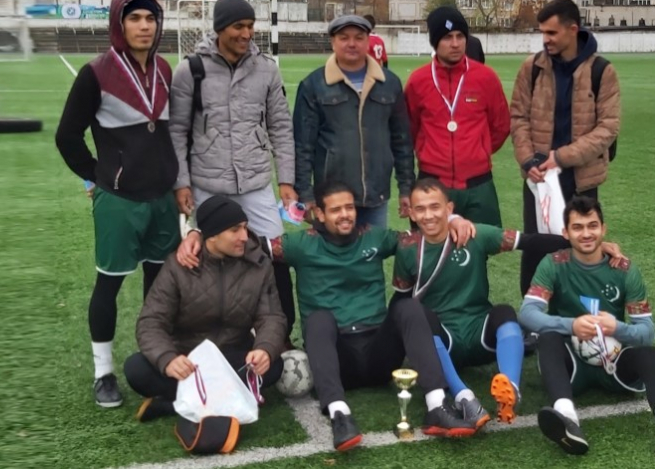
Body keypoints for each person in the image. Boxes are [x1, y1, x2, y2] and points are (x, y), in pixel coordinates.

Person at [176, 181, 480, 450]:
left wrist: (454, 219)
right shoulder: (301, 243)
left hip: (379, 354)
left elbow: (424, 234)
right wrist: (198, 234)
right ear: (319, 214)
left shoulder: (375, 237)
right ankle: (339, 414)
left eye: (349, 208)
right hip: (337, 357)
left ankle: (436, 405)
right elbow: (246, 243)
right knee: (319, 318)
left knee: (408, 307)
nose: (345, 214)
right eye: (335, 210)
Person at [392, 179, 625, 424]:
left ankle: (510, 389)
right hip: (443, 342)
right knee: (422, 316)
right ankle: (463, 395)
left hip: (481, 338)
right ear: (411, 213)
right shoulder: (408, 249)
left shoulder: (476, 234)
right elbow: (404, 302)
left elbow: (529, 241)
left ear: (449, 209)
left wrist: (588, 244)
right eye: (420, 209)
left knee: (504, 312)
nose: (429, 215)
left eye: (435, 207)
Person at [519, 196, 655, 460]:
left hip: (613, 364)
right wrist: (571, 325)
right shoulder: (553, 264)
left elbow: (647, 332)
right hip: (570, 365)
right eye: (577, 227)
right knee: (548, 338)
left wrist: (617, 328)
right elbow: (527, 314)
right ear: (566, 232)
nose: (586, 234)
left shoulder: (625, 270)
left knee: (650, 354)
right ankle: (567, 421)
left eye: (592, 225)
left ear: (604, 228)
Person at [55, 0, 178, 408]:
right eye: (135, 18)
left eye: (151, 18)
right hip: (120, 200)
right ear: (119, 24)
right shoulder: (96, 73)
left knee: (160, 288)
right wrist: (97, 176)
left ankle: (154, 358)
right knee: (108, 285)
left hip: (162, 199)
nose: (145, 26)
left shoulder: (164, 69)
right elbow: (67, 136)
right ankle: (103, 372)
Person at [168, 0, 298, 345]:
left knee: (275, 256)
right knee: (209, 260)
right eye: (239, 26)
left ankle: (282, 334)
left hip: (255, 182)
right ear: (219, 28)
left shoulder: (267, 69)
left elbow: (280, 127)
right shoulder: (190, 70)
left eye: (251, 26)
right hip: (208, 183)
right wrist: (181, 183)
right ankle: (213, 337)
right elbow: (177, 131)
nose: (246, 34)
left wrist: (286, 179)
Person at [124, 196, 287, 423]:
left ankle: (175, 405)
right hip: (188, 358)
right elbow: (151, 321)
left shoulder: (259, 264)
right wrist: (168, 359)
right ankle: (222, 399)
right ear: (212, 235)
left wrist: (264, 350)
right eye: (235, 230)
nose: (244, 236)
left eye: (244, 227)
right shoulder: (178, 266)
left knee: (274, 366)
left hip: (232, 355)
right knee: (136, 369)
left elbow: (271, 316)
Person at [509, 0, 621, 295]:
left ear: (573, 30)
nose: (545, 39)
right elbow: (518, 117)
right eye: (542, 33)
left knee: (582, 251)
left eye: (551, 33)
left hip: (581, 181)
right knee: (536, 251)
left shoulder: (602, 71)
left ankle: (578, 313)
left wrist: (561, 157)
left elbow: (608, 128)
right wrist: (527, 160)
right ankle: (532, 314)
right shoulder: (531, 68)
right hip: (539, 180)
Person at [293, 15, 414, 230]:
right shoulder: (313, 85)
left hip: (375, 196)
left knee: (372, 250)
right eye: (344, 38)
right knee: (332, 251)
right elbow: (303, 145)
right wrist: (305, 193)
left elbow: (401, 141)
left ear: (368, 41)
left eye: (359, 37)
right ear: (333, 42)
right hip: (331, 198)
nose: (352, 43)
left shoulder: (389, 83)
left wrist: (406, 188)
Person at [404, 7, 510, 227]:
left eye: (460, 36)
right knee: (430, 247)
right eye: (447, 37)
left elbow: (500, 126)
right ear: (435, 42)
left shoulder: (486, 77)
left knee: (482, 245)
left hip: (478, 185)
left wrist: (477, 151)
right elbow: (409, 130)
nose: (455, 44)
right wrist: (431, 153)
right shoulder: (418, 81)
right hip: (432, 185)